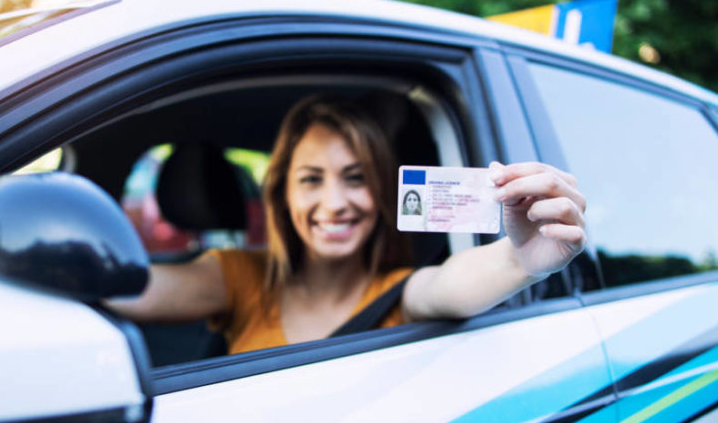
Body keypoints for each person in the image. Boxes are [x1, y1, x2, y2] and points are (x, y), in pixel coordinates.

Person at [109, 94, 587, 354]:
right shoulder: (240, 277)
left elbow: (447, 285)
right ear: (283, 195)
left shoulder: (401, 293)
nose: (333, 203)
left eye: (355, 178)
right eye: (311, 179)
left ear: (381, 193)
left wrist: (520, 257)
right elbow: (133, 288)